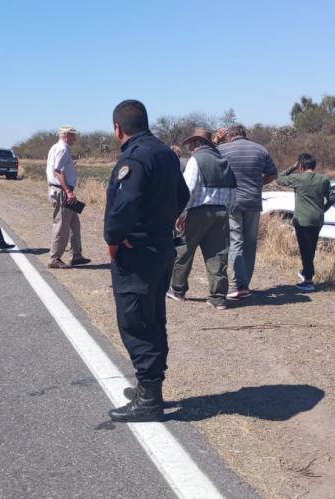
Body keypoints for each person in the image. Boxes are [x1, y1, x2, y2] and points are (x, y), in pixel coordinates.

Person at [104, 100, 189, 422]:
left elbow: (123, 206)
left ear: (118, 128)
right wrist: (160, 223)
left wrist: (114, 238)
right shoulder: (165, 153)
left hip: (137, 254)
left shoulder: (135, 157)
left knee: (137, 322)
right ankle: (148, 387)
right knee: (152, 318)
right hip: (162, 249)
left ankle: (150, 398)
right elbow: (182, 196)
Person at [167, 127, 236, 310]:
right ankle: (218, 297)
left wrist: (180, 214)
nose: (190, 149)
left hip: (197, 212)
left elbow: (188, 189)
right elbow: (233, 191)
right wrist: (226, 211)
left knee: (184, 251)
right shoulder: (224, 160)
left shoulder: (196, 160)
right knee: (218, 255)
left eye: (191, 145)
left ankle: (178, 290)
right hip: (221, 213)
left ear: (197, 144)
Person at [218, 124, 278, 300]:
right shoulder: (260, 149)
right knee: (251, 242)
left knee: (236, 241)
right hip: (253, 201)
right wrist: (258, 184)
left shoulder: (223, 149)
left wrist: (216, 141)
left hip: (232, 201)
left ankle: (239, 285)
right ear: (245, 134)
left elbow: (211, 164)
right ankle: (246, 283)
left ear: (230, 136)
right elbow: (273, 174)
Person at [276, 153, 335, 292]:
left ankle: (308, 280)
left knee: (305, 250)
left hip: (302, 220)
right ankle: (306, 272)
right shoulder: (323, 179)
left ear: (301, 166)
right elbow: (332, 199)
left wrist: (292, 167)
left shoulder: (298, 178)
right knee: (311, 248)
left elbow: (279, 179)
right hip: (317, 219)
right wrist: (322, 209)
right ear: (314, 165)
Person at [46, 125, 90, 269]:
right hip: (62, 192)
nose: (75, 138)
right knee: (61, 226)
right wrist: (68, 191)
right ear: (65, 135)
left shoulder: (56, 147)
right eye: (73, 135)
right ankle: (54, 258)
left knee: (74, 225)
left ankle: (76, 255)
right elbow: (58, 171)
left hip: (63, 190)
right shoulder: (62, 149)